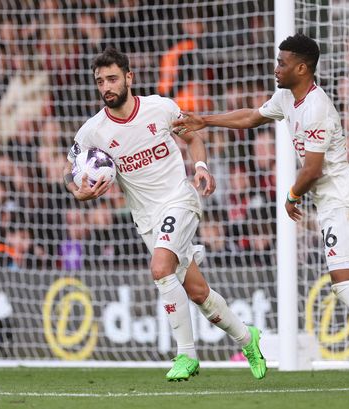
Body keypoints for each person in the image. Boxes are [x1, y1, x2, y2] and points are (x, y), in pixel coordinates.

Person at [173, 33, 349, 389]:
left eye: (282, 63)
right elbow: (252, 116)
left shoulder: (316, 107)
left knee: (343, 282)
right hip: (347, 198)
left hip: (342, 202)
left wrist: (290, 197)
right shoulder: (287, 97)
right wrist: (206, 121)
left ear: (302, 67)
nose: (276, 69)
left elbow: (313, 169)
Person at [62, 47, 266, 382]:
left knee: (160, 268)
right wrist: (77, 190)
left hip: (180, 200)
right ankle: (247, 338)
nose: (106, 87)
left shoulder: (160, 107)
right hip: (146, 219)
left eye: (112, 78)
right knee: (198, 293)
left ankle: (186, 355)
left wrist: (200, 167)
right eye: (100, 81)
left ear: (129, 77)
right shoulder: (92, 132)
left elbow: (193, 138)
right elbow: (68, 171)